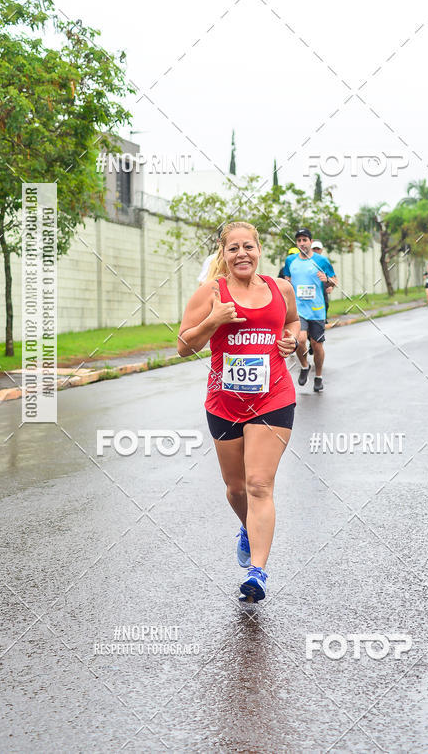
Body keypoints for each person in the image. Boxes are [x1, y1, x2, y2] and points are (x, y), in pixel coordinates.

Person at [177, 221, 299, 602]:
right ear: (224, 254)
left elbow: (293, 322)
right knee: (235, 489)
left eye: (248, 246)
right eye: (233, 248)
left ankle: (257, 572)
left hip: (273, 398)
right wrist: (214, 320)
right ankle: (248, 528)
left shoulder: (280, 289)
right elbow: (183, 346)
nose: (242, 254)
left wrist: (293, 339)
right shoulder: (211, 292)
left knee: (259, 484)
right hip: (224, 402)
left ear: (259, 250)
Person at [283, 227, 336, 393]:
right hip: (298, 310)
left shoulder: (321, 260)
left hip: (317, 310)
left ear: (310, 242)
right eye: (299, 240)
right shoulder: (290, 261)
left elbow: (334, 281)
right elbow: (287, 280)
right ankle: (305, 366)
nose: (302, 243)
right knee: (299, 339)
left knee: (316, 345)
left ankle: (318, 376)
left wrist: (327, 280)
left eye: (304, 240)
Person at [311, 239, 331, 317]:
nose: (316, 250)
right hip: (308, 292)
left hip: (322, 291)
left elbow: (332, 277)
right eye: (314, 249)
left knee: (325, 306)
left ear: (321, 250)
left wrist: (331, 286)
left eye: (318, 249)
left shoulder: (324, 262)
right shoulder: (305, 260)